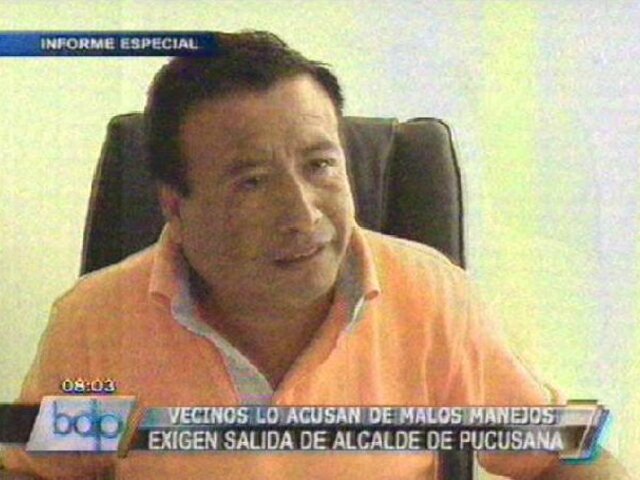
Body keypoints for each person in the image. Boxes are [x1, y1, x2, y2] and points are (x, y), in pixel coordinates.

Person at [1, 31, 629, 479]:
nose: (303, 215)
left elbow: (564, 454)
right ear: (174, 205)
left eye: (320, 165)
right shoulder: (98, 324)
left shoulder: (431, 299)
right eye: (251, 181)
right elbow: (34, 468)